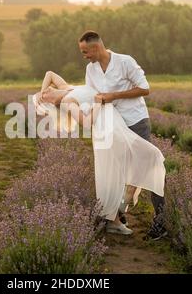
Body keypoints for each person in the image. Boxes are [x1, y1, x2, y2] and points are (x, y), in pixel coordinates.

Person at [33, 71, 166, 236]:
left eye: (45, 92)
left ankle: (119, 209)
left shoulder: (67, 88)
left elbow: (49, 74)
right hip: (108, 129)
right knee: (134, 162)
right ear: (52, 105)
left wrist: (40, 93)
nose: (45, 94)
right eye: (44, 99)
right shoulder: (67, 101)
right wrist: (97, 103)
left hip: (115, 122)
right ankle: (115, 217)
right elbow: (87, 123)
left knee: (134, 162)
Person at [78, 30, 168, 240]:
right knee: (116, 170)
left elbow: (145, 88)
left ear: (96, 47)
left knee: (150, 165)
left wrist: (113, 96)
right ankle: (116, 216)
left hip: (136, 121)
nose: (84, 56)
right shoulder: (90, 70)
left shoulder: (125, 62)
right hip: (113, 126)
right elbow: (94, 97)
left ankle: (161, 222)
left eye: (85, 51)